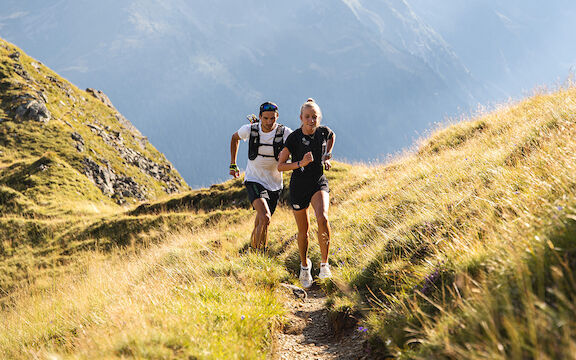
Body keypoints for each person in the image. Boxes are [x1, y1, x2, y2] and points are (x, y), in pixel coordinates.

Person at [277, 98, 335, 288]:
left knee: (323, 218)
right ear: (301, 118)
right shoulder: (293, 138)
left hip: (318, 182)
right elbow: (280, 166)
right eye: (308, 117)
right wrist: (301, 163)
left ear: (319, 118)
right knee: (304, 231)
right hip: (299, 186)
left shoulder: (323, 132)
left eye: (314, 117)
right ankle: (304, 266)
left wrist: (327, 155)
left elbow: (332, 136)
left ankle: (325, 265)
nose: (311, 120)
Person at [230, 102, 292, 250]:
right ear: (259, 117)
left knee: (261, 222)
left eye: (272, 118)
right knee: (265, 217)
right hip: (254, 179)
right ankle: (257, 254)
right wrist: (233, 164)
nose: (269, 122)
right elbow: (234, 138)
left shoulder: (285, 132)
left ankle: (251, 250)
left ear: (277, 117)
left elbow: (298, 143)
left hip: (275, 183)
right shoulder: (250, 130)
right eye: (265, 118)